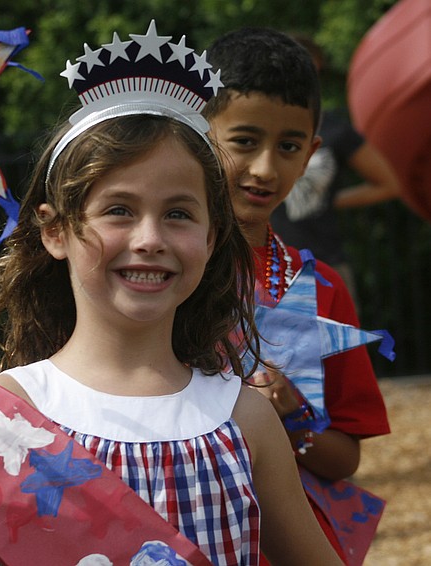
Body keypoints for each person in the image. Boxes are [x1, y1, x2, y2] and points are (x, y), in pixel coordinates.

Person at [0, 25, 342, 565]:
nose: (150, 239)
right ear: (54, 230)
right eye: (118, 210)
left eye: (179, 214)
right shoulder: (10, 413)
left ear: (210, 238)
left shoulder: (242, 418)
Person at [203, 27, 391, 563]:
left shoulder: (321, 290)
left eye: (287, 147)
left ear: (310, 153)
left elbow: (343, 458)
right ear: (198, 132)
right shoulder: (155, 270)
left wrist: (292, 416)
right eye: (244, 141)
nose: (266, 169)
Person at [270, 34, 401, 306]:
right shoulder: (255, 126)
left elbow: (390, 183)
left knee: (335, 349)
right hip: (261, 270)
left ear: (315, 66)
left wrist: (333, 200)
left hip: (323, 266)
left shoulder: (335, 129)